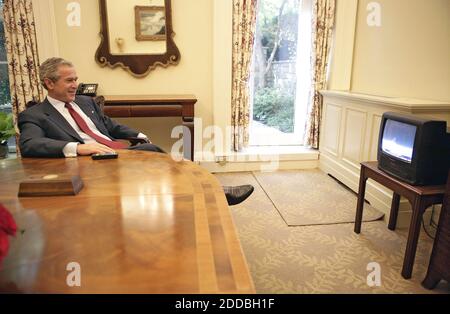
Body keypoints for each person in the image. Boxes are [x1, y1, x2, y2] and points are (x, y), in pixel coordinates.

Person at [18, 57, 254, 205]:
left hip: (115, 152)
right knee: (158, 156)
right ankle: (214, 191)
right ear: (49, 83)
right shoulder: (35, 114)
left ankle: (207, 191)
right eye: (68, 80)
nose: (74, 85)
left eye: (76, 79)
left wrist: (137, 134)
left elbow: (110, 125)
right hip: (90, 163)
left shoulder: (85, 102)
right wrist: (79, 148)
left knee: (158, 157)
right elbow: (29, 144)